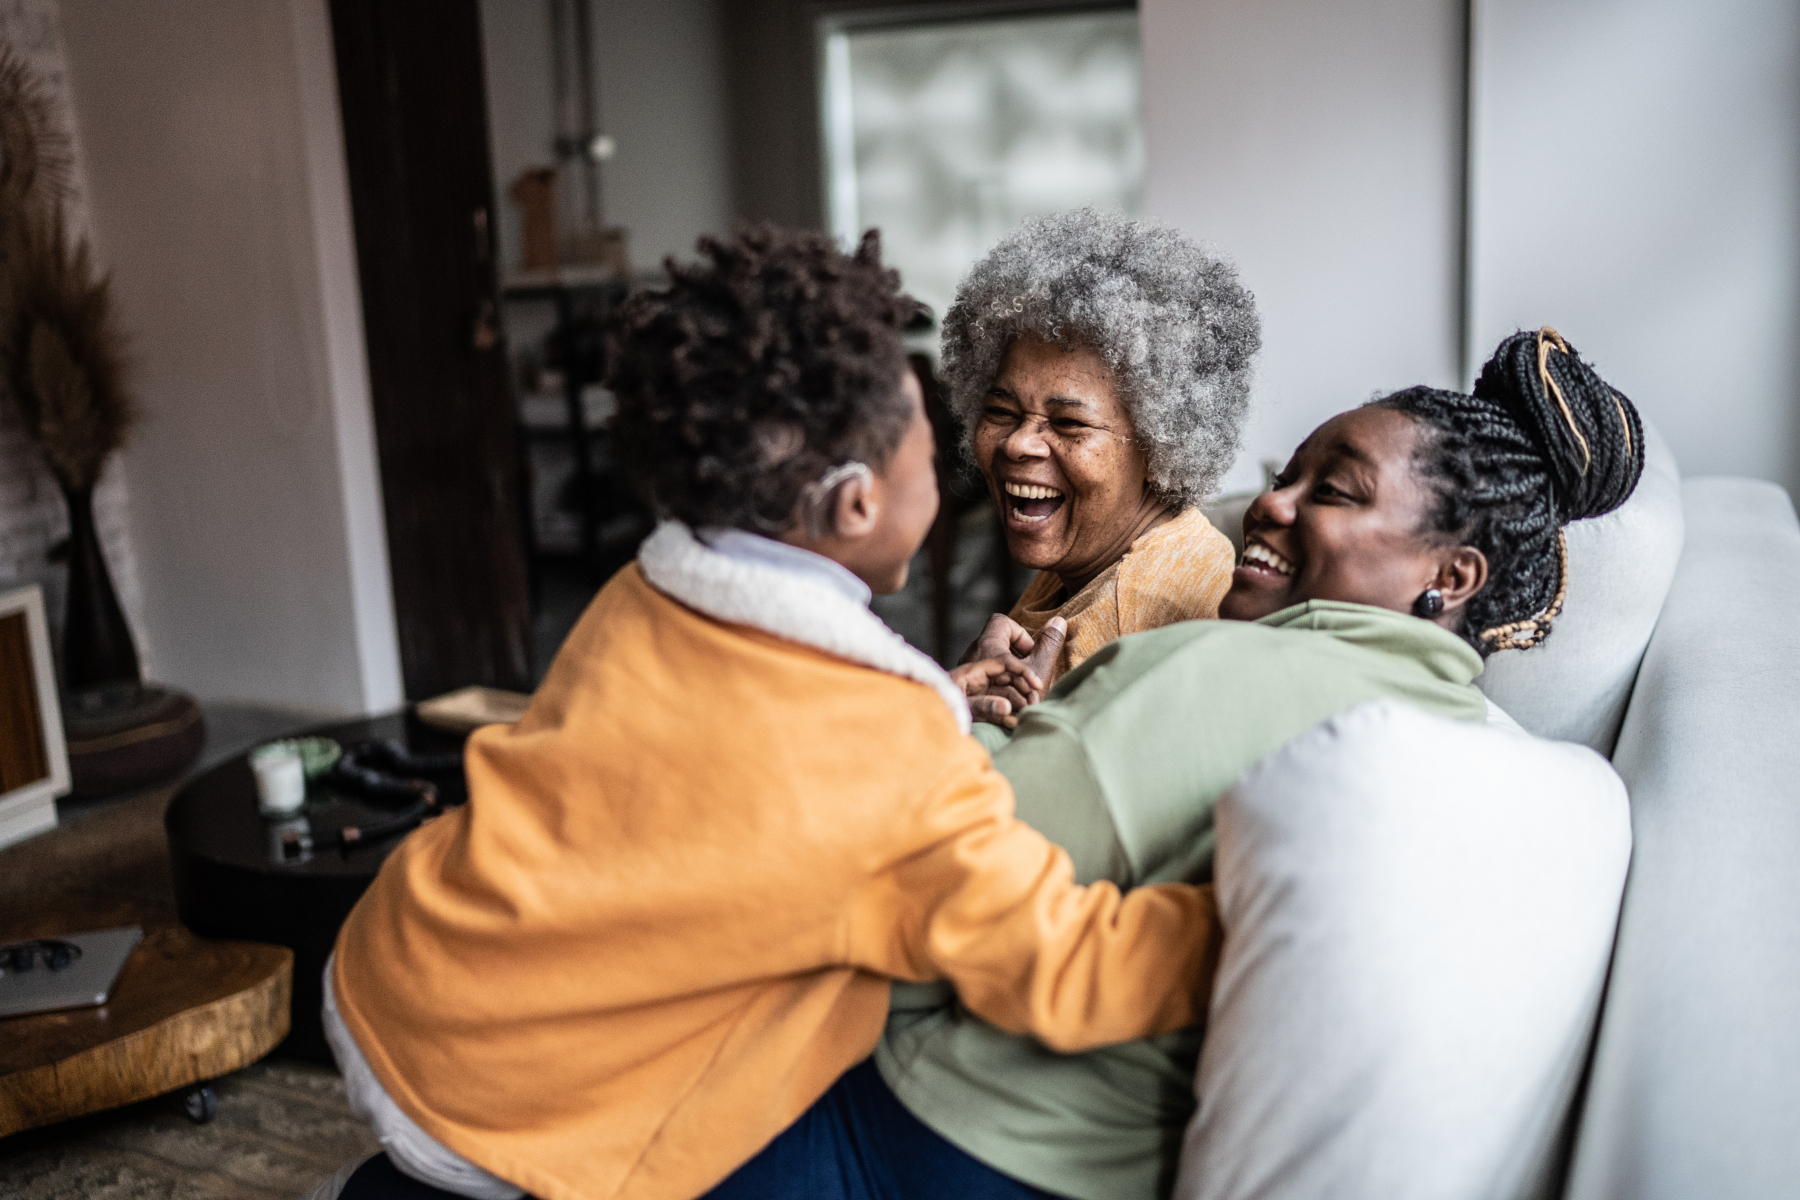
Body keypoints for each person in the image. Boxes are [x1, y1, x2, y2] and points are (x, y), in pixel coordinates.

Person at [311, 226, 1222, 1200]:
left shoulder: (651, 592)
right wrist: (1248, 917)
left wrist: (937, 703)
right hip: (502, 1095)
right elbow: (1061, 958)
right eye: (930, 430)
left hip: (402, 964)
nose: (975, 451)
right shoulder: (885, 751)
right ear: (859, 506)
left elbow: (740, 765)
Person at [720, 327, 1641, 1200]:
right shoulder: (1446, 723)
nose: (1273, 504)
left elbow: (920, 881)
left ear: (1452, 577)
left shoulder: (1230, 663)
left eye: (1335, 492)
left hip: (941, 1132)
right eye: (1291, 477)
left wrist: (964, 727)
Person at [941, 208, 1261, 719]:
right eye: (1001, 411)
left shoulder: (1122, 620)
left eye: (1068, 424)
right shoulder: (1127, 547)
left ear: (1160, 446)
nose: (1019, 443)